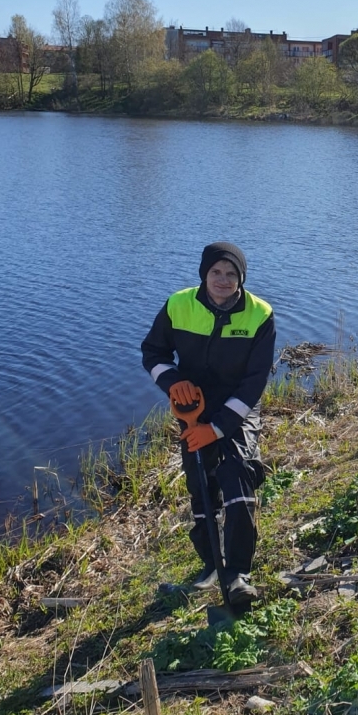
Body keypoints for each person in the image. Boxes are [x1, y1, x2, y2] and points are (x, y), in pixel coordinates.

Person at [141, 241, 276, 604]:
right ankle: (211, 564)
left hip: (238, 406)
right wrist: (173, 382)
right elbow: (153, 352)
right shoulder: (178, 305)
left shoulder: (260, 314)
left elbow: (255, 382)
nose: (223, 280)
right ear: (204, 274)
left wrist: (216, 429)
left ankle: (238, 573)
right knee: (200, 484)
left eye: (231, 274)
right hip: (193, 407)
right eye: (216, 272)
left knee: (238, 474)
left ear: (241, 278)